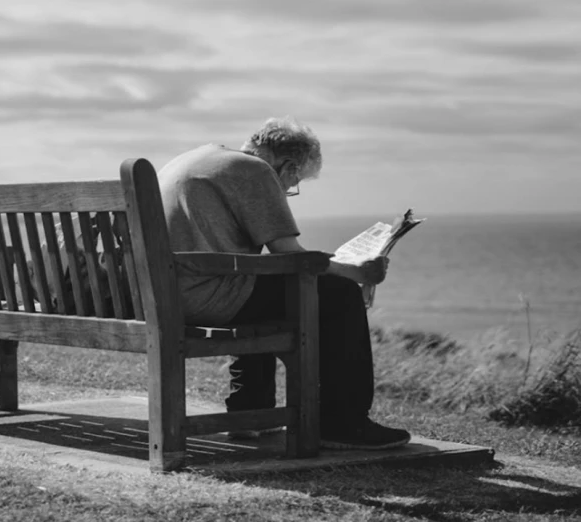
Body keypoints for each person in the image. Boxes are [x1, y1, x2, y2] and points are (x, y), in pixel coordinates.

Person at [156, 116, 410, 450]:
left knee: (265, 283)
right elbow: (288, 253)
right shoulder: (255, 171)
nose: (288, 192)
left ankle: (251, 413)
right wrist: (357, 273)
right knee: (341, 295)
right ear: (288, 165)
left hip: (164, 293)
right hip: (204, 296)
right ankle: (343, 423)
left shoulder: (197, 159)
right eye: (294, 183)